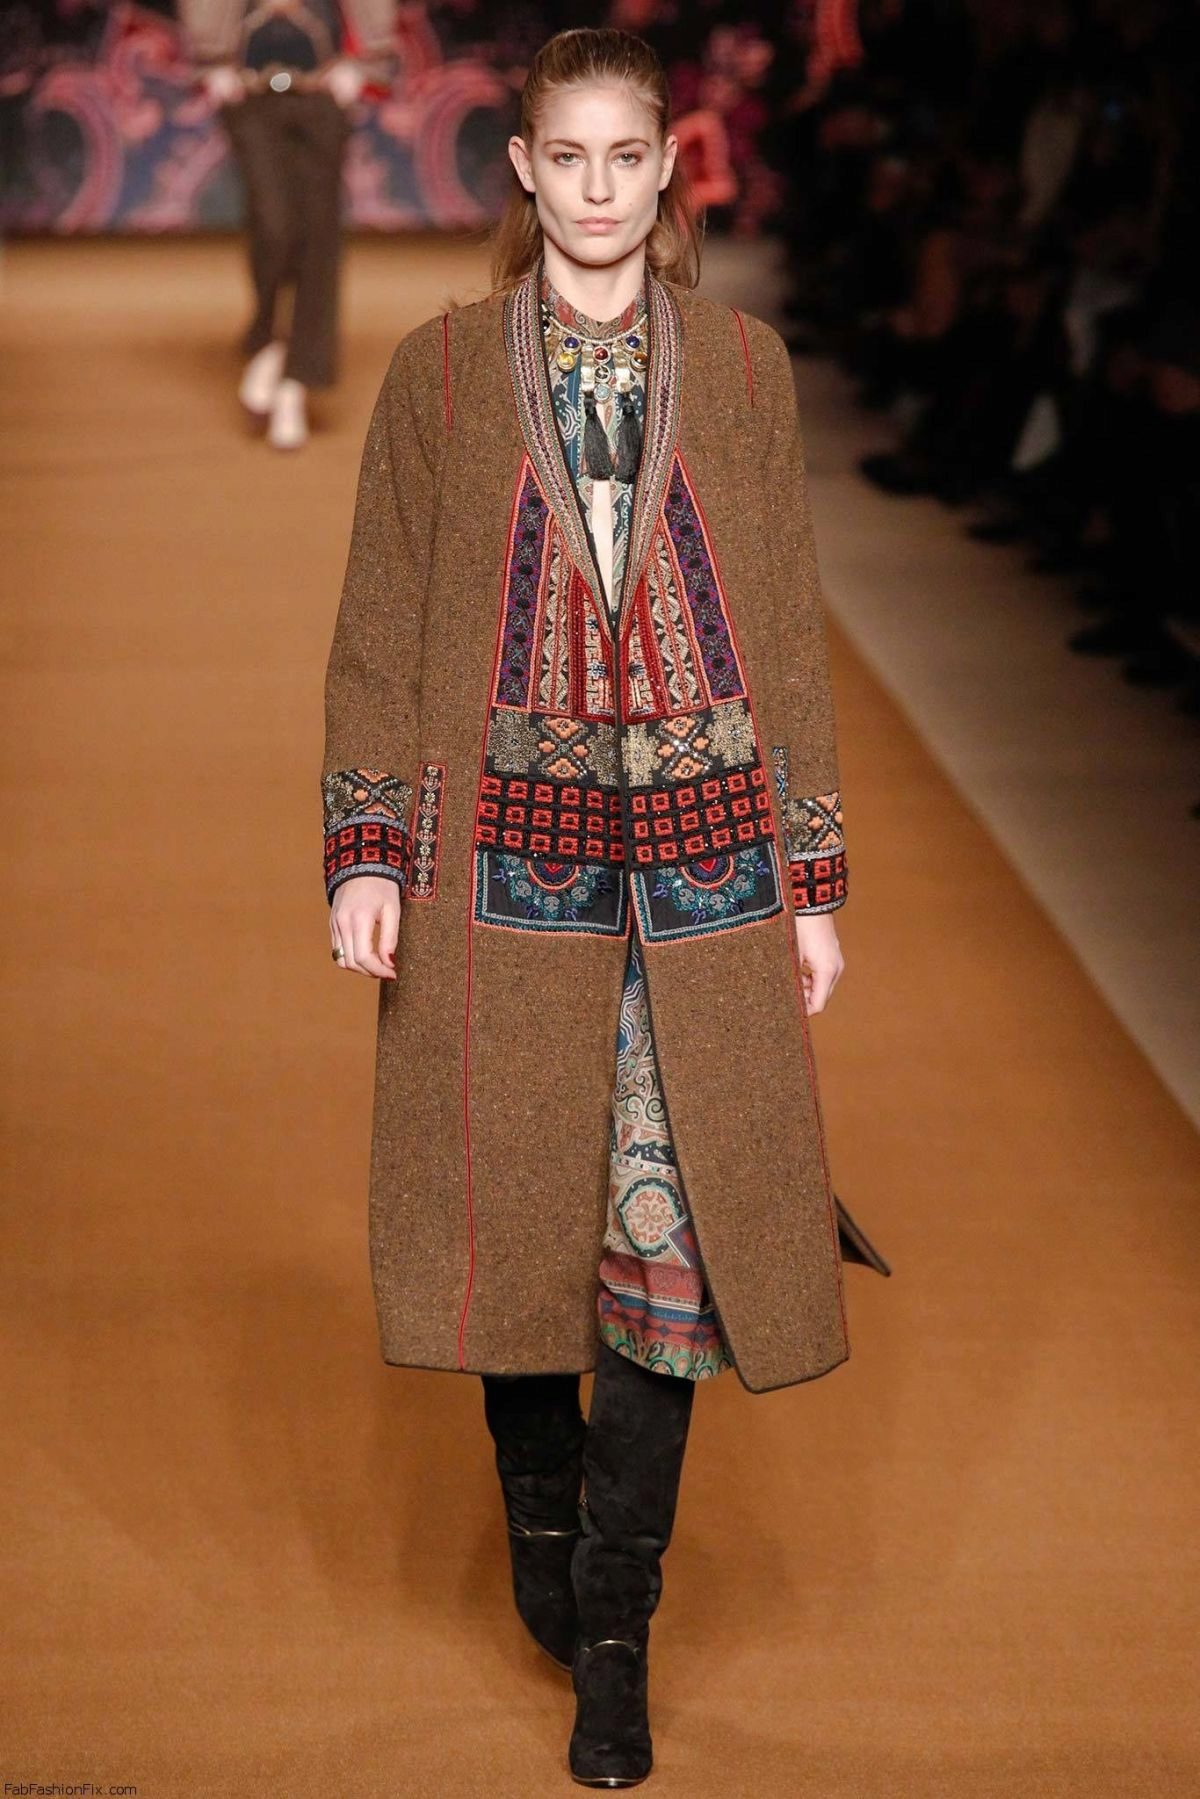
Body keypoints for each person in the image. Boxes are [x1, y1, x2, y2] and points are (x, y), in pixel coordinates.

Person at [320, 26, 890, 1789]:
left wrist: (810, 880)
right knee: (513, 1221)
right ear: (522, 168)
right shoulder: (437, 373)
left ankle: (618, 1620)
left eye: (624, 156)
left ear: (666, 168)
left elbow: (786, 619)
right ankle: (542, 1502)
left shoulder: (745, 366)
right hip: (501, 865)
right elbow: (380, 616)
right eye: (563, 156)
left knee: (675, 1231)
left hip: (705, 863)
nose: (593, 188)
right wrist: (368, 846)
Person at [179, 2, 396, 449]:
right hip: (249, 92)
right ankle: (268, 341)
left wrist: (364, 65)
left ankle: (294, 385)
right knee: (273, 224)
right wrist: (211, 61)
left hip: (322, 91)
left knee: (319, 237)